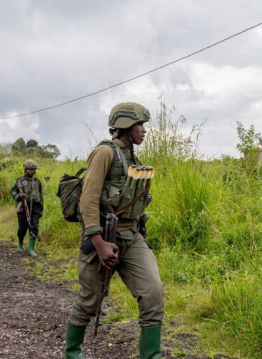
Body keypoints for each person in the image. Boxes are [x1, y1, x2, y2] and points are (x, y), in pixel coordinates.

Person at [64, 102, 163, 359]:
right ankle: (72, 353)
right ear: (125, 126)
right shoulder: (105, 153)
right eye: (139, 125)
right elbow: (88, 200)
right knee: (90, 301)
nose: (143, 130)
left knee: (152, 295)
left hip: (131, 237)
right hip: (103, 237)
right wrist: (98, 242)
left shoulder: (133, 157)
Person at [11, 159, 43, 257]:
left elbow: (41, 195)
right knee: (22, 228)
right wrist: (19, 196)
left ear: (35, 170)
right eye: (28, 169)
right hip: (23, 207)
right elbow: (13, 192)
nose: (30, 171)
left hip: (36, 207)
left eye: (32, 169)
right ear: (25, 169)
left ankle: (31, 249)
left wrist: (41, 208)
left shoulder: (37, 181)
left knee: (34, 226)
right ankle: (20, 243)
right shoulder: (20, 181)